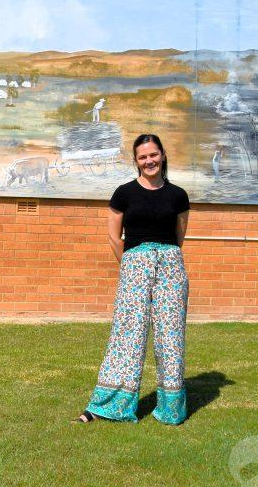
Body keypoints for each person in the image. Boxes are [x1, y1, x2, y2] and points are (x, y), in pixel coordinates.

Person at [75, 133, 190, 425]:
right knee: (128, 334)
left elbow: (179, 236)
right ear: (136, 161)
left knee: (171, 335)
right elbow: (114, 237)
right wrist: (131, 263)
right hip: (135, 264)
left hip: (170, 267)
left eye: (153, 155)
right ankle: (110, 405)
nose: (149, 161)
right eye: (142, 157)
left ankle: (171, 408)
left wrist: (163, 258)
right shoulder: (124, 193)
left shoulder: (178, 195)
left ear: (162, 155)